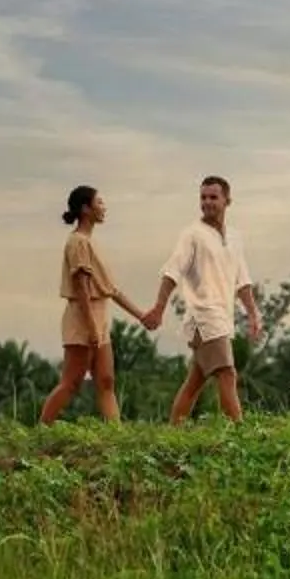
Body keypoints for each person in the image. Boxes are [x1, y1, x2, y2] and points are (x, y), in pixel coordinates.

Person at [139, 173, 263, 422]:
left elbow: (243, 281)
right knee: (228, 373)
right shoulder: (192, 234)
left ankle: (173, 430)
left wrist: (253, 313)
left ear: (227, 200)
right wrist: (159, 308)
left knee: (195, 381)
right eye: (203, 197)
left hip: (222, 318)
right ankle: (239, 433)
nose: (207, 202)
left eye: (213, 197)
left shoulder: (235, 238)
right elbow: (172, 272)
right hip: (203, 316)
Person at [40, 185, 137, 423]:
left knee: (106, 381)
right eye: (99, 202)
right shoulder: (78, 242)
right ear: (86, 208)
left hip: (99, 316)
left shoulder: (91, 243)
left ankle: (116, 435)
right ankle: (42, 428)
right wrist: (92, 328)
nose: (103, 207)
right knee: (71, 382)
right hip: (84, 318)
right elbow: (81, 287)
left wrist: (141, 315)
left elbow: (110, 289)